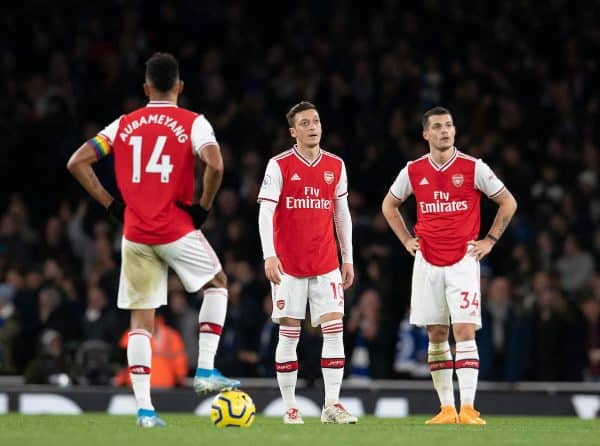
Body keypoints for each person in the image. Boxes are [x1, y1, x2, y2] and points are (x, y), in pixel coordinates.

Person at [67, 52, 239, 427]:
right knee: (218, 284)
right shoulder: (194, 123)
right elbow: (216, 163)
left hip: (135, 231)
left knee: (141, 323)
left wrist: (112, 205)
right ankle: (206, 370)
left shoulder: (123, 124)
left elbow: (77, 161)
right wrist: (204, 207)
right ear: (179, 86)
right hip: (175, 226)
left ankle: (145, 410)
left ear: (145, 88)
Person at [381, 106, 518, 425]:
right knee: (437, 333)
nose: (445, 131)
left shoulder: (473, 167)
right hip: (427, 260)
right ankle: (446, 408)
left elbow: (508, 201)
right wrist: (405, 239)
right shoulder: (413, 170)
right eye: (438, 126)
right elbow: (389, 205)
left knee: (464, 329)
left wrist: (490, 240)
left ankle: (468, 408)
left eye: (450, 125)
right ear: (426, 134)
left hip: (463, 260)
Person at [257, 101, 357, 424]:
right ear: (293, 131)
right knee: (290, 333)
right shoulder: (279, 165)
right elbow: (265, 212)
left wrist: (348, 258)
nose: (313, 127)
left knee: (334, 329)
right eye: (305, 123)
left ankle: (332, 405)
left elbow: (342, 214)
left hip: (326, 262)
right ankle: (290, 406)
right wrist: (269, 254)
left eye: (316, 121)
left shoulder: (336, 165)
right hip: (289, 265)